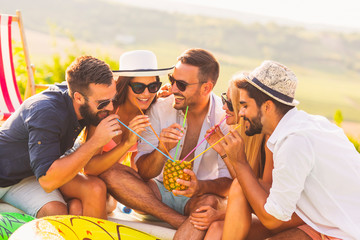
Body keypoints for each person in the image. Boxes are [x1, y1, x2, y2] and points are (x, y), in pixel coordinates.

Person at [100, 48, 232, 239]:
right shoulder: (160, 107)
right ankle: (178, 221)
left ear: (206, 88)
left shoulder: (223, 120)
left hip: (198, 198)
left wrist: (199, 187)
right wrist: (161, 149)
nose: (174, 89)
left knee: (209, 204)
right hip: (157, 193)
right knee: (111, 172)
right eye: (172, 80)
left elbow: (228, 182)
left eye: (182, 84)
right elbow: (144, 173)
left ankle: (187, 222)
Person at [221, 60, 360, 239]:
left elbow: (273, 219)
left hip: (346, 232)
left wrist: (239, 162)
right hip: (327, 224)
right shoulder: (312, 124)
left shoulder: (294, 141)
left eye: (245, 106)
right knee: (239, 188)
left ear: (267, 106)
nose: (240, 113)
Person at [0, 56, 121, 218]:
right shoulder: (46, 112)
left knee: (57, 214)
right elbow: (48, 181)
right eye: (102, 103)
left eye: (113, 99)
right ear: (78, 97)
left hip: (25, 177)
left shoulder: (85, 95)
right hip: (6, 174)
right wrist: (96, 141)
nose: (111, 107)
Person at [76, 50, 173, 213]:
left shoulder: (152, 112)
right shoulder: (105, 111)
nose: (146, 94)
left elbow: (140, 167)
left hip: (113, 179)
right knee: (80, 207)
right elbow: (89, 168)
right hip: (85, 174)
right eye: (138, 87)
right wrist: (127, 142)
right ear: (124, 85)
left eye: (153, 86)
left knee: (110, 205)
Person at [188, 73, 274, 239]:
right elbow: (242, 184)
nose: (224, 108)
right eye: (223, 99)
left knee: (217, 226)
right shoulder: (242, 135)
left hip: (279, 217)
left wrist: (220, 214)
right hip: (261, 211)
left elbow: (263, 200)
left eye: (230, 104)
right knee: (216, 229)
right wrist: (223, 151)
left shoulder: (268, 140)